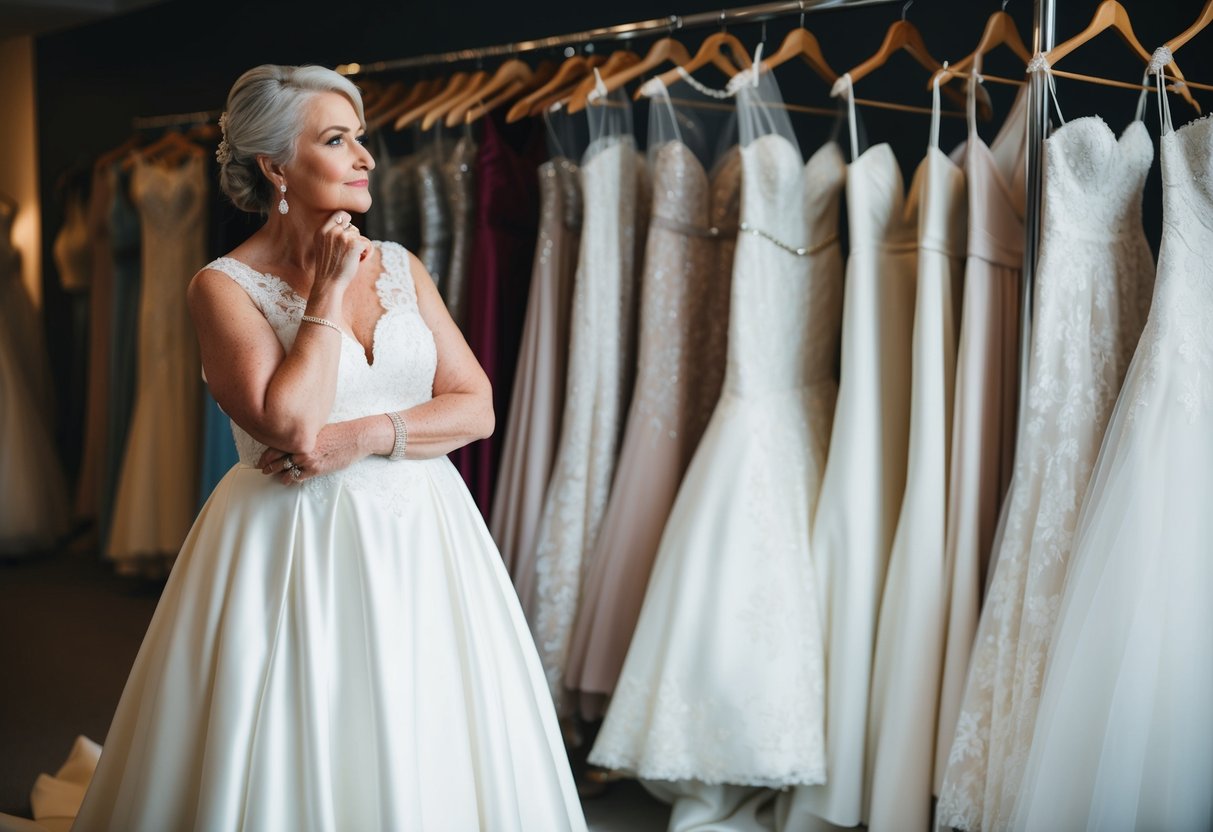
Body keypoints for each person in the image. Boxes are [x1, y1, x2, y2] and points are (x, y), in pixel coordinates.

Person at [68, 64, 587, 831]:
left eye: (362, 139)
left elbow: (476, 408)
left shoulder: (405, 268)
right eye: (337, 139)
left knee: (429, 720)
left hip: (426, 533)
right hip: (292, 542)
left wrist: (369, 436)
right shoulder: (223, 286)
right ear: (276, 165)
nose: (365, 158)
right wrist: (325, 294)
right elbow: (289, 426)